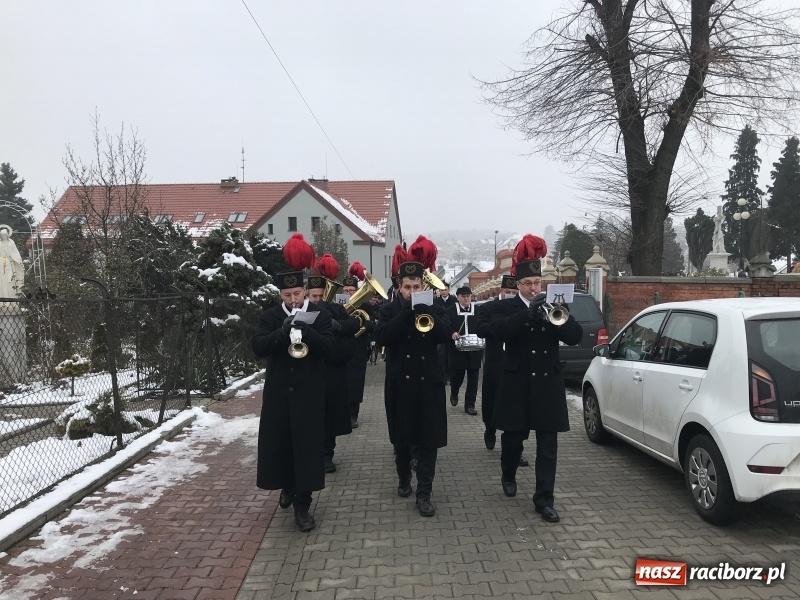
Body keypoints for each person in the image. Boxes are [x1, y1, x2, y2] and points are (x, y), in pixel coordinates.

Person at [490, 234, 583, 523]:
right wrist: (528, 316)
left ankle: (544, 499)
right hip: (517, 383)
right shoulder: (506, 307)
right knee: (513, 440)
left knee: (548, 446)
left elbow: (574, 336)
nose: (533, 288)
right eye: (528, 284)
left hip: (547, 384)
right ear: (517, 284)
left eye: (537, 283)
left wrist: (560, 316)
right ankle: (508, 473)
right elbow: (494, 331)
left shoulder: (553, 305)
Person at [251, 234, 334, 532]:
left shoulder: (318, 315)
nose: (294, 300)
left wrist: (306, 331)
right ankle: (286, 485)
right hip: (279, 396)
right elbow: (259, 346)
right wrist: (282, 331)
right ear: (281, 295)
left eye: (298, 294)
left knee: (307, 450)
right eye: (288, 296)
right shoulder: (270, 316)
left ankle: (303, 505)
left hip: (309, 395)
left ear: (304, 291)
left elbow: (330, 349)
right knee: (282, 447)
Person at [375, 238, 450, 517]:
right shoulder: (390, 309)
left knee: (429, 439)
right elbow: (381, 337)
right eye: (407, 287)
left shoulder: (434, 307)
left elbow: (445, 334)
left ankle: (425, 493)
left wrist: (426, 309)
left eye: (416, 287)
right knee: (402, 436)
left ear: (423, 286)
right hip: (400, 382)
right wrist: (406, 312)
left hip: (428, 382)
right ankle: (404, 477)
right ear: (399, 288)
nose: (411, 291)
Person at [307, 255, 360, 474]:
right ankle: (312, 453)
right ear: (307, 295)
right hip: (310, 372)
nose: (318, 299)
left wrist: (336, 325)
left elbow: (353, 324)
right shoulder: (302, 311)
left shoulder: (336, 309)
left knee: (330, 417)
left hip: (332, 372)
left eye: (321, 295)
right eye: (314, 296)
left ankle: (328, 455)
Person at [342, 261, 375, 429]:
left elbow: (372, 324)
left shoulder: (365, 305)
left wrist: (370, 327)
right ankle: (342, 413)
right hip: (341, 348)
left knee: (356, 382)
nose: (349, 293)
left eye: (352, 291)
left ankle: (353, 414)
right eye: (346, 291)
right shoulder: (337, 306)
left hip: (358, 348)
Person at [446, 286, 482, 415]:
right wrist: (452, 333)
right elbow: (446, 325)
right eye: (463, 296)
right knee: (457, 377)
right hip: (457, 351)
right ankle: (454, 392)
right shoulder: (450, 311)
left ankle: (469, 405)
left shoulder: (478, 310)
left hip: (474, 350)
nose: (466, 299)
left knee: (473, 379)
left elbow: (482, 325)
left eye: (468, 296)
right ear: (458, 297)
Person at [0, 225, 24, 299]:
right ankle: (2, 296)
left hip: (9, 262)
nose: (3, 236)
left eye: (4, 235)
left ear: (7, 235)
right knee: (2, 280)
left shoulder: (11, 242)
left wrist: (19, 261)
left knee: (10, 279)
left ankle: (11, 298)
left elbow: (15, 252)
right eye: (2, 235)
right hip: (1, 262)